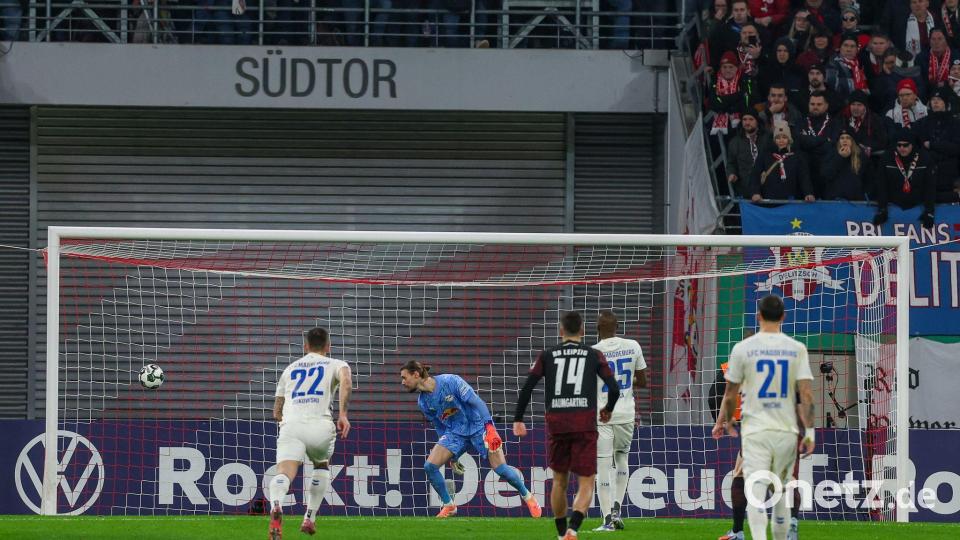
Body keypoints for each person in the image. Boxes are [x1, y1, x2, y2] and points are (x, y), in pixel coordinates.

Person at [712, 294, 816, 540]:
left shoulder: (743, 349)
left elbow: (729, 394)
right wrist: (810, 432)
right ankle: (789, 529)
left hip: (756, 431)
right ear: (783, 317)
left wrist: (723, 422)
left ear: (758, 316)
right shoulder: (797, 349)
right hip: (786, 432)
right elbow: (806, 395)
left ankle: (743, 533)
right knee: (784, 485)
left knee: (754, 485)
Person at [513, 311, 620, 540]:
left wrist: (518, 419)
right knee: (586, 480)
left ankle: (562, 534)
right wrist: (608, 409)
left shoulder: (547, 355)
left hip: (557, 423)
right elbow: (614, 389)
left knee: (559, 481)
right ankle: (573, 529)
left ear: (561, 330)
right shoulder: (594, 354)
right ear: (582, 330)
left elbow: (528, 386)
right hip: (584, 423)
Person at [399, 359, 541, 519]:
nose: (402, 382)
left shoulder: (450, 381)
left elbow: (477, 402)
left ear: (416, 374)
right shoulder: (423, 403)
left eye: (404, 377)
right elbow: (439, 426)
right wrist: (452, 453)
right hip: (455, 433)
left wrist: (490, 428)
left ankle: (528, 497)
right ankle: (449, 505)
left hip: (479, 426)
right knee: (430, 466)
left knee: (501, 469)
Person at [268, 327, 353, 539]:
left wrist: (289, 420)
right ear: (328, 346)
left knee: (284, 473)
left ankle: (276, 504)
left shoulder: (290, 369)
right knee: (321, 464)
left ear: (305, 346)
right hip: (320, 425)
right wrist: (343, 414)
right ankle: (309, 517)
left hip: (292, 425)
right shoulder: (337, 364)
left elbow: (276, 411)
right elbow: (346, 381)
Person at [590, 311, 647, 532]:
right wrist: (626, 381)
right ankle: (617, 509)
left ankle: (607, 520)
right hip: (626, 414)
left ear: (597, 329)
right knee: (622, 458)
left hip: (603, 415)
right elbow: (642, 381)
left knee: (603, 465)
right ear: (617, 327)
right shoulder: (633, 346)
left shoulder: (593, 352)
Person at [874, 129, 936, 230]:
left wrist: (929, 211)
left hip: (917, 201)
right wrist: (882, 209)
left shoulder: (925, 159)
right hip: (894, 202)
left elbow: (930, 186)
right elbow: (881, 185)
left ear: (912, 144)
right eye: (899, 145)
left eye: (905, 145)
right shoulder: (886, 158)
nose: (902, 148)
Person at [913, 87, 960, 203]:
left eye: (939, 99)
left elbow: (956, 148)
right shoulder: (921, 123)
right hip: (927, 167)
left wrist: (932, 145)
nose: (935, 102)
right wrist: (942, 146)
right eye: (933, 100)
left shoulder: (955, 123)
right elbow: (919, 146)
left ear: (946, 103)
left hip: (950, 168)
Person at [749, 120, 815, 202]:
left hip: (792, 201)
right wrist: (755, 192)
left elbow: (804, 177)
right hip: (769, 201)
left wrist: (808, 193)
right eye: (778, 138)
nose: (781, 140)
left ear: (789, 139)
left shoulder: (797, 156)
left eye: (784, 137)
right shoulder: (765, 155)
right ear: (774, 140)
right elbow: (755, 175)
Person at [821, 128, 870, 200]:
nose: (845, 140)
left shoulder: (861, 156)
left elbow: (868, 179)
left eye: (848, 138)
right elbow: (826, 174)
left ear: (853, 141)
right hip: (834, 200)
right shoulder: (831, 153)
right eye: (842, 138)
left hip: (856, 201)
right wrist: (840, 157)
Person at [726, 108, 765, 198]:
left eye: (751, 119)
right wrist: (732, 174)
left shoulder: (767, 138)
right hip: (745, 189)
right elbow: (731, 163)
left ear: (757, 121)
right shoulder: (735, 142)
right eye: (744, 119)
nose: (747, 122)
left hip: (767, 187)